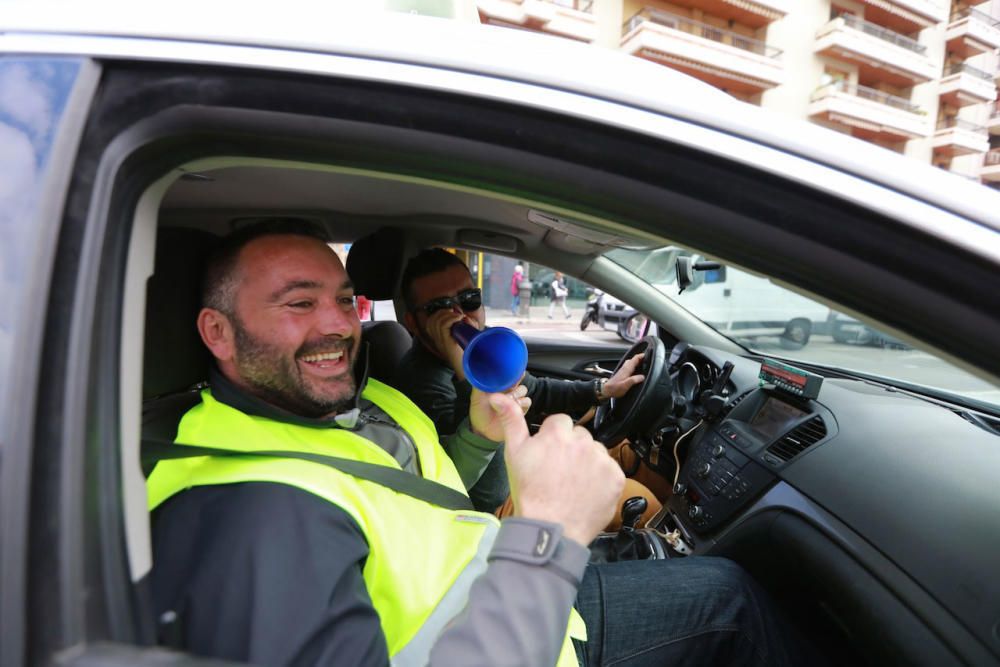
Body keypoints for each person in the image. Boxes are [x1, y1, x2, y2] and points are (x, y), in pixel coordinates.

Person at [148, 222, 805, 667]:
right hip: (524, 621)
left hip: (507, 590)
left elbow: (424, 507)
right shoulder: (245, 511)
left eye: (345, 300)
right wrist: (548, 535)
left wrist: (479, 437)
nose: (336, 326)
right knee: (729, 596)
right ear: (218, 332)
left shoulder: (355, 395)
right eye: (298, 304)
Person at [393, 249, 650, 519]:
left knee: (628, 455)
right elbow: (488, 493)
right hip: (497, 508)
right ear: (413, 322)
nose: (460, 315)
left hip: (523, 465)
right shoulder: (420, 382)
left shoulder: (485, 345)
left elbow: (537, 389)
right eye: (439, 308)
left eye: (469, 299)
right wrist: (465, 371)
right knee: (633, 497)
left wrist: (603, 389)